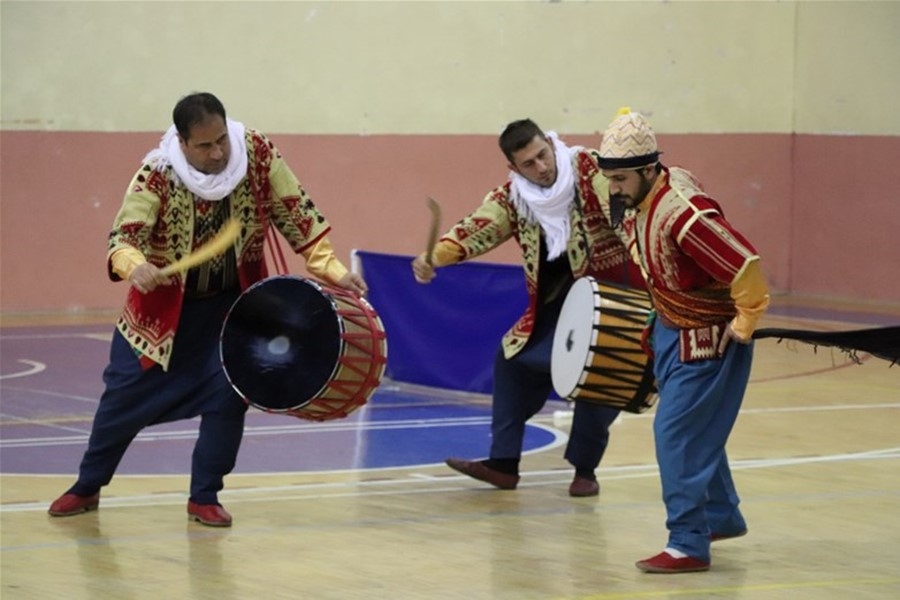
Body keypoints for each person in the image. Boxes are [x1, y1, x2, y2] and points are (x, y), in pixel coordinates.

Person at [48, 92, 367, 527]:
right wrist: (135, 266)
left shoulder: (256, 153)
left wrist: (332, 269)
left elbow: (299, 216)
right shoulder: (155, 175)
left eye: (221, 141)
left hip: (233, 312)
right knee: (121, 401)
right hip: (162, 319)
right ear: (181, 142)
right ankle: (87, 486)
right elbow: (122, 239)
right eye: (204, 146)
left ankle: (205, 495)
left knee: (230, 398)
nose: (218, 153)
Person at [411, 119, 643, 497]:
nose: (541, 168)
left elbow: (624, 201)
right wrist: (433, 257)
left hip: (613, 300)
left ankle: (585, 471)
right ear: (514, 169)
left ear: (551, 144)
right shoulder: (513, 199)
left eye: (543, 155)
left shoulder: (590, 171)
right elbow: (477, 228)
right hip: (556, 305)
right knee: (511, 360)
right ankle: (504, 464)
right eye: (529, 164)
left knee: (597, 371)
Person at [595, 108, 770, 573]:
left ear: (649, 169)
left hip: (707, 340)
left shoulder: (683, 214)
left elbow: (744, 264)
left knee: (675, 435)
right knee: (695, 432)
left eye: (620, 179)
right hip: (671, 329)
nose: (613, 188)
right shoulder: (640, 197)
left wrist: (747, 320)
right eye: (609, 178)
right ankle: (721, 516)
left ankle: (688, 542)